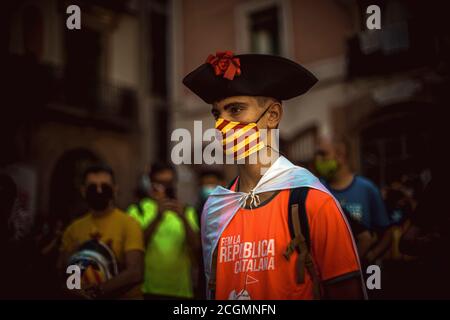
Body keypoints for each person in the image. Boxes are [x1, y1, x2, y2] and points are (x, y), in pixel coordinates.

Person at [183, 51, 365, 300]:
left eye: (235, 110)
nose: (220, 125)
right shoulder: (214, 209)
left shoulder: (313, 201)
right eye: (217, 114)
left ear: (272, 116)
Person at [57, 164, 144, 299]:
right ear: (83, 190)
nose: (99, 191)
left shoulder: (130, 224)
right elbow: (63, 271)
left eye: (105, 187)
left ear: (115, 189)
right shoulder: (73, 229)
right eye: (92, 187)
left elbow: (135, 272)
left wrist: (97, 291)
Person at [314, 137, 392, 267]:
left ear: (341, 156)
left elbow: (387, 233)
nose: (318, 160)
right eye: (316, 154)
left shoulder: (367, 188)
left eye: (323, 154)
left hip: (367, 275)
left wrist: (370, 257)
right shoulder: (318, 189)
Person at [127, 162, 200, 299]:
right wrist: (158, 217)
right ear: (150, 183)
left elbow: (196, 248)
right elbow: (136, 246)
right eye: (160, 183)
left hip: (180, 291)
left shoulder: (186, 211)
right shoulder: (137, 210)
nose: (165, 187)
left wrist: (183, 218)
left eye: (169, 183)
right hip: (146, 289)